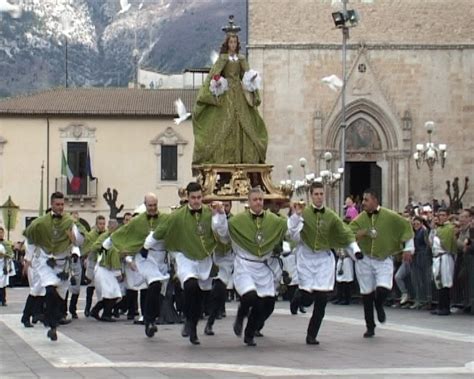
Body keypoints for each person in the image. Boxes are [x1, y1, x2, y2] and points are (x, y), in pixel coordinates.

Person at [213, 187, 287, 346]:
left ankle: (250, 332)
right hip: (245, 265)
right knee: (250, 296)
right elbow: (224, 236)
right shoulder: (237, 221)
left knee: (267, 303)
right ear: (249, 202)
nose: (258, 202)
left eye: (260, 199)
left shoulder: (274, 220)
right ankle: (240, 317)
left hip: (263, 266)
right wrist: (220, 215)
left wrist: (296, 217)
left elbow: (289, 231)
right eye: (255, 199)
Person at [288, 182, 360, 345]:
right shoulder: (303, 213)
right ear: (311, 195)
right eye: (316, 194)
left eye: (321, 194)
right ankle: (298, 297)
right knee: (308, 297)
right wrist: (296, 216)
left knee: (321, 298)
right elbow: (292, 234)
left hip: (323, 259)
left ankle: (312, 334)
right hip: (306, 257)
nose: (319, 197)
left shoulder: (331, 215)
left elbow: (345, 233)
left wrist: (355, 250)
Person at [149, 182, 219, 345]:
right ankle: (190, 324)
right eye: (193, 198)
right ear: (187, 198)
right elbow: (161, 230)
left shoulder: (210, 213)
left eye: (199, 197)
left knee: (201, 294)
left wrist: (220, 216)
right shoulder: (177, 216)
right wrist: (147, 244)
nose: (196, 201)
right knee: (190, 286)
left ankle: (192, 322)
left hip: (203, 259)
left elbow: (220, 231)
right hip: (185, 257)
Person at [192, 28, 267, 165]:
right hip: (226, 94)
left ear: (237, 44)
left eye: (235, 42)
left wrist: (253, 88)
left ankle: (244, 155)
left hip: (239, 93)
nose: (233, 44)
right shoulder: (223, 59)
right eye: (231, 42)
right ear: (227, 44)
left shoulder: (241, 59)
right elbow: (214, 74)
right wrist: (215, 84)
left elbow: (247, 75)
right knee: (224, 122)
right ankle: (225, 156)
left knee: (245, 122)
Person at [350, 189, 414, 338]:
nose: (363, 203)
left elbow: (406, 227)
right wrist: (362, 234)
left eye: (366, 200)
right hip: (365, 259)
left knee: (384, 288)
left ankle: (379, 305)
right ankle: (370, 326)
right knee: (367, 294)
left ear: (375, 200)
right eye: (363, 200)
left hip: (383, 259)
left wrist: (409, 248)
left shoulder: (390, 216)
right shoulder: (359, 219)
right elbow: (348, 233)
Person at [104, 193, 170, 338]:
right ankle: (149, 320)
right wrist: (110, 240)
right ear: (145, 205)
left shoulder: (165, 219)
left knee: (158, 291)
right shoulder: (138, 221)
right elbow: (124, 231)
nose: (152, 208)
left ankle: (150, 318)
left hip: (161, 258)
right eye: (150, 205)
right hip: (145, 258)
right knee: (154, 283)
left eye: (155, 205)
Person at [23, 192, 84, 341]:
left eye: (62, 204)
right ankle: (50, 325)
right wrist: (28, 259)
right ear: (51, 205)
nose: (60, 207)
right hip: (45, 261)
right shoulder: (40, 222)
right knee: (47, 289)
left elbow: (78, 242)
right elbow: (30, 239)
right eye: (57, 204)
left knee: (59, 294)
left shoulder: (69, 222)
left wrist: (75, 241)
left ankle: (51, 320)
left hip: (62, 264)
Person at [204, 201, 235, 336]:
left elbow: (224, 236)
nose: (222, 208)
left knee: (219, 289)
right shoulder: (205, 219)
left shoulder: (234, 221)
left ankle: (210, 321)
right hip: (208, 256)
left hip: (226, 259)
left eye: (225, 205)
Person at [429, 208, 457, 315]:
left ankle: (446, 307)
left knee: (445, 282)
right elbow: (431, 242)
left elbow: (447, 243)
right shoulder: (437, 228)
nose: (441, 217)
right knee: (439, 282)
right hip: (437, 257)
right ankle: (440, 306)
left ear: (447, 216)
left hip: (445, 257)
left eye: (443, 215)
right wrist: (432, 229)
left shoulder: (449, 228)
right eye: (440, 215)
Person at [82, 215, 107, 317]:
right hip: (92, 261)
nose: (102, 226)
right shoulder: (91, 235)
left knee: (101, 286)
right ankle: (87, 308)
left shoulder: (106, 234)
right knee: (90, 285)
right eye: (100, 224)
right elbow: (87, 246)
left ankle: (100, 307)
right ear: (96, 224)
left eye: (103, 224)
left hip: (101, 262)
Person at [0, 227, 14, 306]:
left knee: (3, 283)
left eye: (1, 233)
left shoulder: (6, 244)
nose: (0, 234)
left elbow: (11, 254)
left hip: (3, 266)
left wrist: (5, 255)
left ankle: (3, 300)